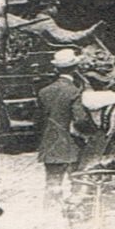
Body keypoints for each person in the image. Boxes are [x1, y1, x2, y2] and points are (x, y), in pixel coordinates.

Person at [36, 48, 91, 202]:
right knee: (76, 182)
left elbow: (39, 121)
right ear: (75, 69)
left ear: (56, 68)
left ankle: (50, 213)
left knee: (52, 184)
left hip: (50, 144)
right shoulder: (73, 91)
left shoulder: (43, 92)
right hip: (71, 145)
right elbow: (80, 120)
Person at [15, 0, 103, 47]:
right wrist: (87, 32)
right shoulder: (46, 22)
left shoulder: (38, 21)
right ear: (49, 8)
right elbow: (63, 37)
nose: (56, 10)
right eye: (55, 7)